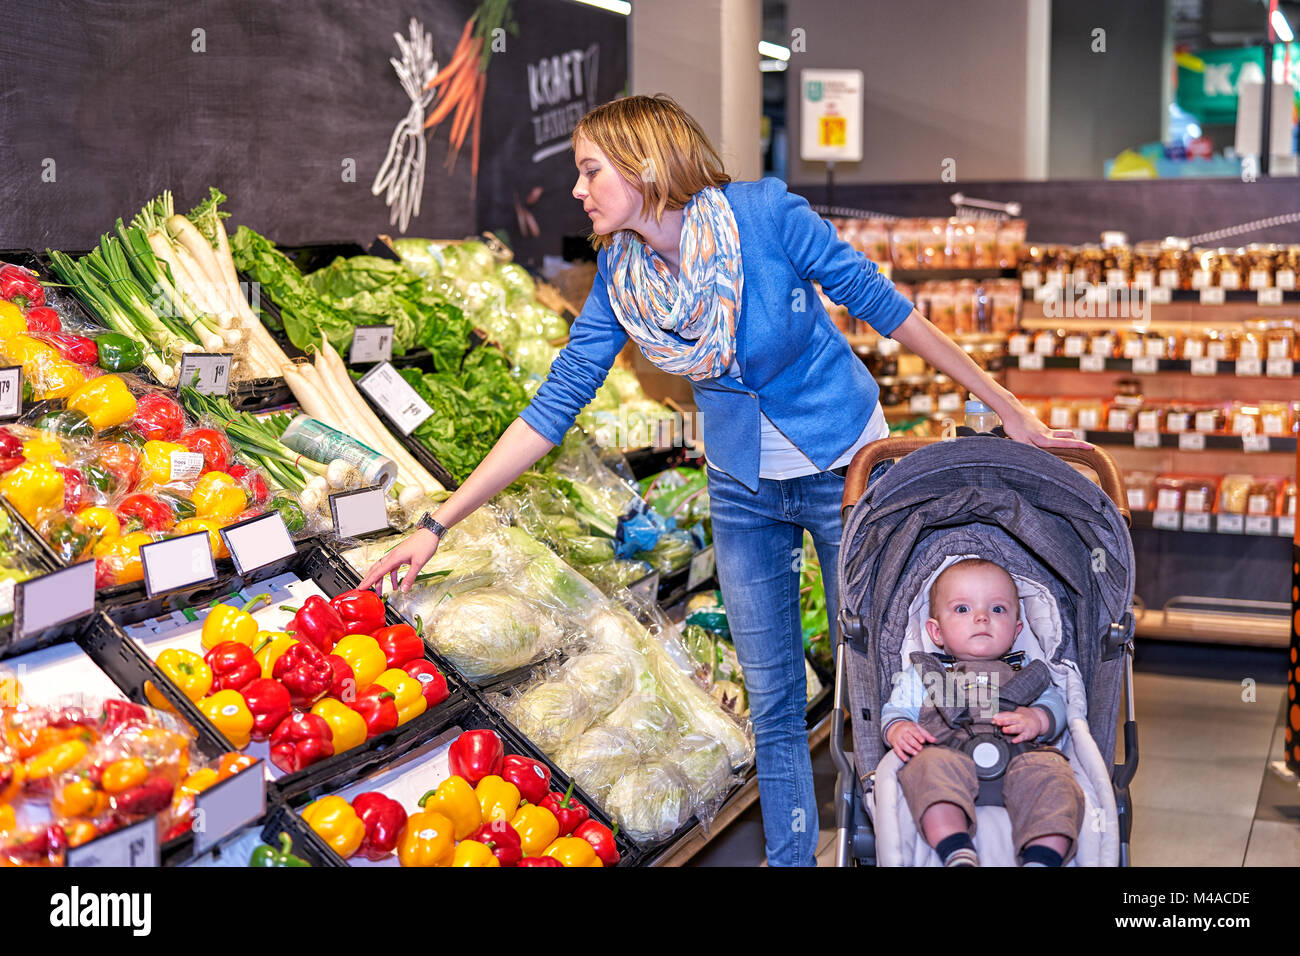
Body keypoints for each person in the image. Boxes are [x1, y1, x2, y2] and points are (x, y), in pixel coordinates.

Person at [359, 94, 1088, 867]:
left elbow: (886, 307)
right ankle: (791, 858)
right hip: (743, 485)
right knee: (773, 698)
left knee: (874, 678)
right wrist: (437, 523)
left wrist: (1006, 407)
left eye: (590, 170)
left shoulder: (766, 217)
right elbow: (553, 407)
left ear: (644, 167)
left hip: (843, 467)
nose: (579, 188)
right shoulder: (622, 277)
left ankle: (894, 847)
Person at [883, 558, 1085, 867]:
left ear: (1017, 629)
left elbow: (1056, 706)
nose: (981, 618)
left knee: (1054, 777)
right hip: (948, 757)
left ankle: (1042, 857)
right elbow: (896, 710)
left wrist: (1039, 719)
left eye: (997, 609)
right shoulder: (924, 674)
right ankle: (956, 849)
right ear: (936, 632)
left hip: (1020, 761)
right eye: (963, 609)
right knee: (925, 769)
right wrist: (898, 728)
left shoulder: (1026, 672)